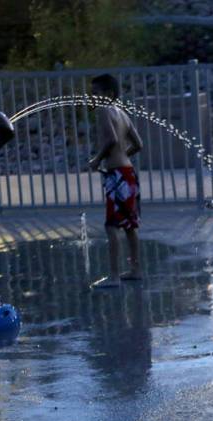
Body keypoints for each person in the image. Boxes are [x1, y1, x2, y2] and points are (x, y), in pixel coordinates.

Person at [88, 73, 144, 289]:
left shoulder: (104, 111)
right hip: (128, 172)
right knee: (130, 225)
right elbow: (138, 144)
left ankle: (113, 276)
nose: (92, 98)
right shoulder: (122, 113)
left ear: (108, 94)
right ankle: (136, 270)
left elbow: (111, 139)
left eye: (95, 94)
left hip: (117, 174)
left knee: (112, 226)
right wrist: (124, 155)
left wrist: (97, 160)